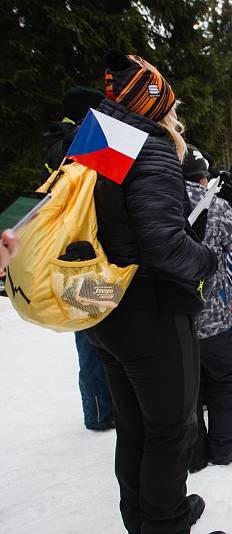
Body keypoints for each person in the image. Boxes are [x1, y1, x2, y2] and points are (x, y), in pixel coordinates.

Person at [86, 50, 215, 533]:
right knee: (169, 429)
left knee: (136, 426)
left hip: (103, 305)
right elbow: (163, 246)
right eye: (171, 107)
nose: (176, 117)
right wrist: (207, 260)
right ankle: (166, 523)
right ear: (155, 104)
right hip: (149, 309)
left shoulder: (100, 138)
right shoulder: (150, 143)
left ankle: (143, 519)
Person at [41, 85, 114, 431]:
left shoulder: (59, 141)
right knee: (92, 328)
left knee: (90, 329)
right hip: (82, 251)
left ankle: (101, 406)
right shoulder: (75, 143)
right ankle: (101, 410)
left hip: (75, 251)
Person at [182, 144, 232, 473]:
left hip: (176, 318)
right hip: (213, 317)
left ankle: (195, 455)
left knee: (189, 391)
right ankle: (224, 448)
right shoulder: (212, 202)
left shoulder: (159, 198)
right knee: (225, 382)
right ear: (205, 176)